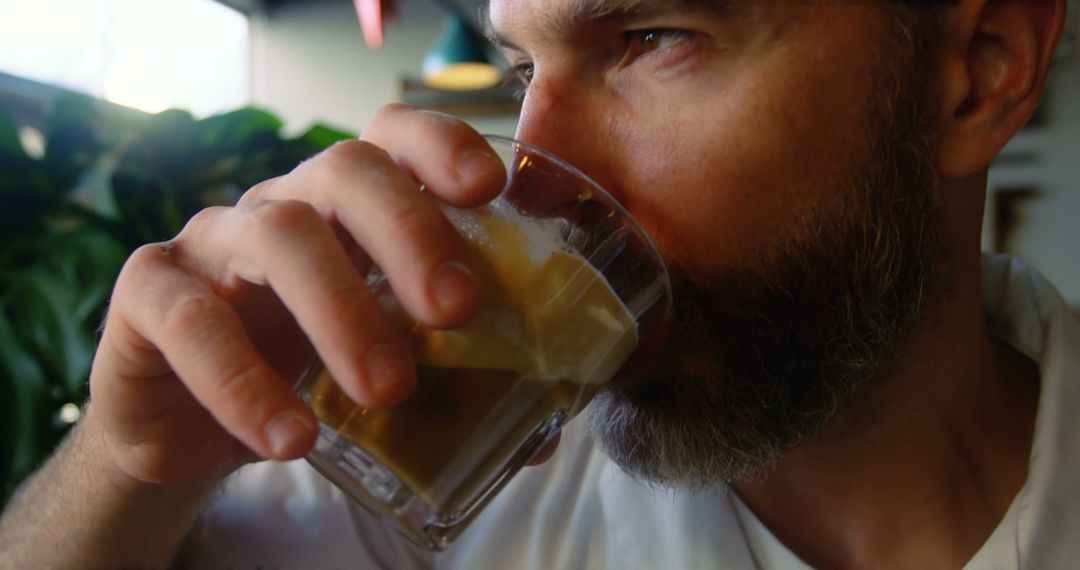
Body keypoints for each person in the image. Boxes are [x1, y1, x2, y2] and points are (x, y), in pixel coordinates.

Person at [1, 0, 1076, 567]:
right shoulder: (454, 472)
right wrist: (132, 467)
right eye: (523, 72)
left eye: (652, 38)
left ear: (979, 67)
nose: (534, 172)